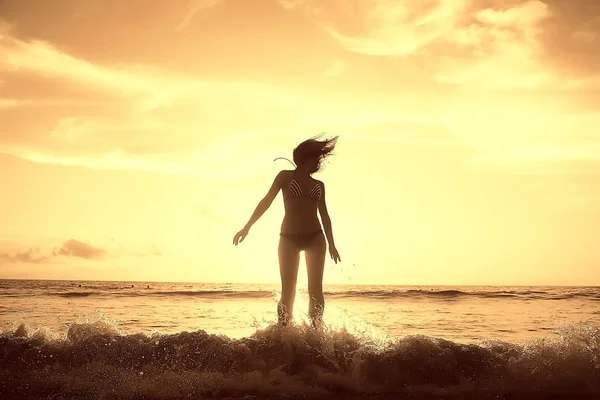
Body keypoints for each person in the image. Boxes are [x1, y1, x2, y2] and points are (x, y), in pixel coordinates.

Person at [233, 134, 341, 327]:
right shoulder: (285, 176)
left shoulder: (319, 185)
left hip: (316, 239)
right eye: (316, 157)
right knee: (288, 291)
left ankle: (316, 333)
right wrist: (247, 227)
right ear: (305, 158)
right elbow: (266, 201)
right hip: (289, 239)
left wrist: (332, 244)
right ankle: (284, 334)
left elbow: (325, 216)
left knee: (315, 290)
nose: (318, 161)